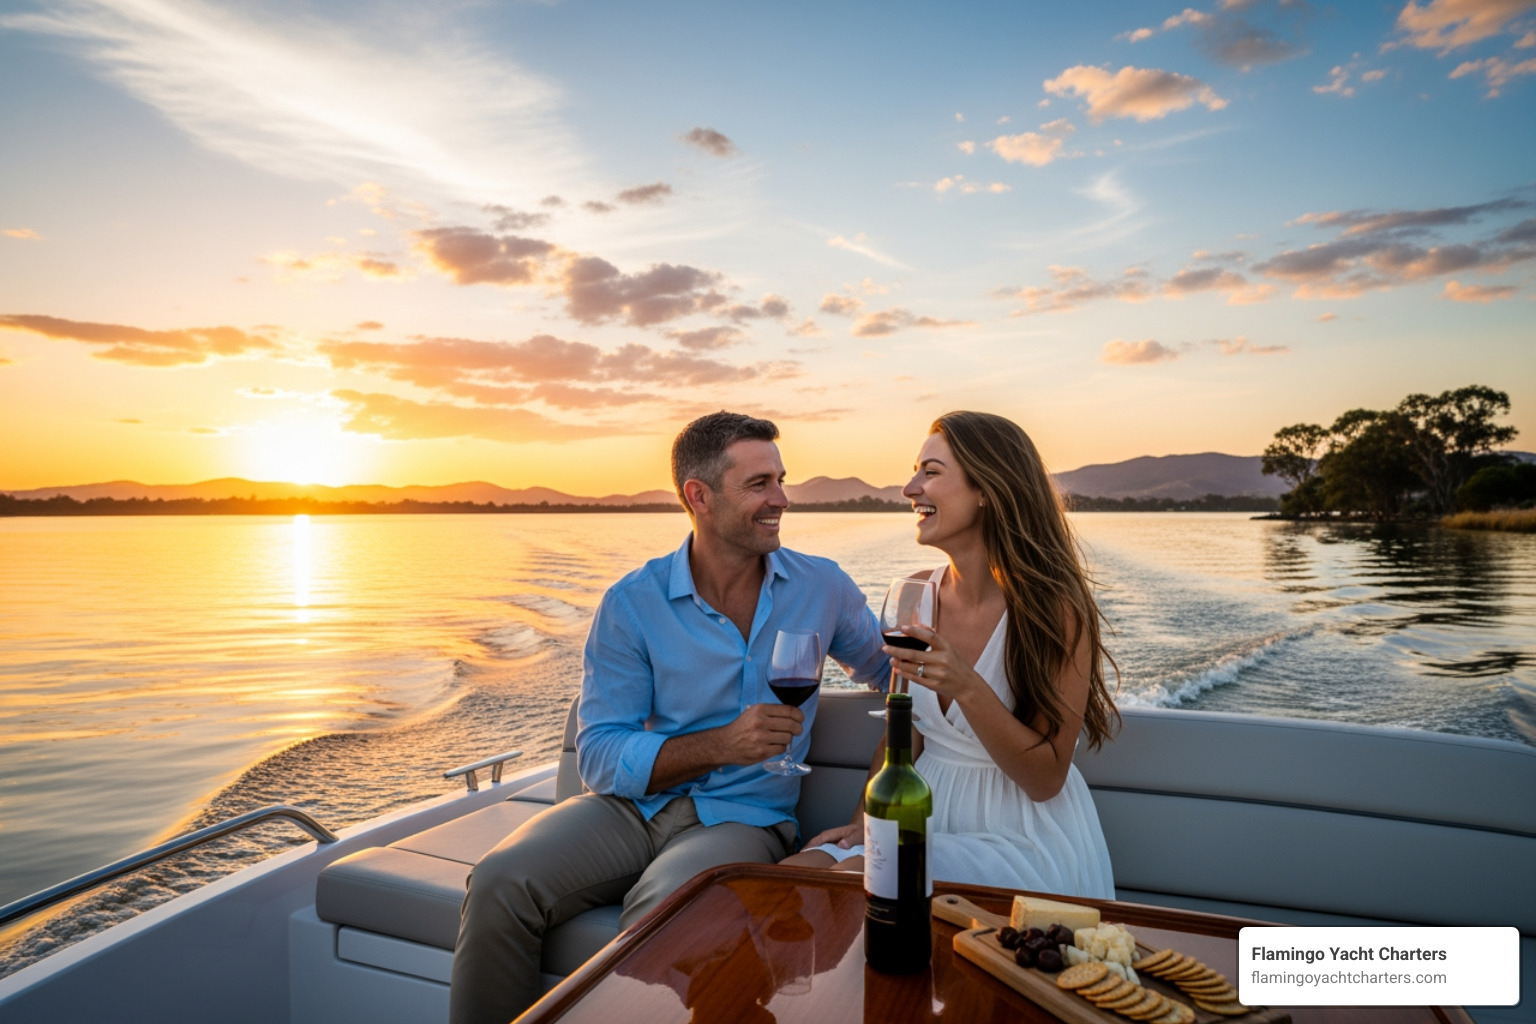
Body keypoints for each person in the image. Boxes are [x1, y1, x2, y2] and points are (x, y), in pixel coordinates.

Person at [449, 411, 890, 1024]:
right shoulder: (633, 602)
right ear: (698, 497)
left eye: (780, 481)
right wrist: (721, 744)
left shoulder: (824, 588)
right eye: (759, 484)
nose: (782, 500)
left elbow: (903, 685)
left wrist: (869, 809)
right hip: (630, 808)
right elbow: (599, 753)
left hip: (746, 817)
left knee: (664, 906)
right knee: (499, 880)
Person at [782, 411, 1118, 899]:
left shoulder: (1055, 610)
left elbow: (1045, 778)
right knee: (791, 874)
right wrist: (864, 822)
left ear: (987, 490)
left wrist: (965, 684)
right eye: (916, 470)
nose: (909, 488)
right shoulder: (914, 594)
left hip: (1018, 834)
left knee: (854, 885)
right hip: (921, 812)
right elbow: (903, 736)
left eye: (931, 472)